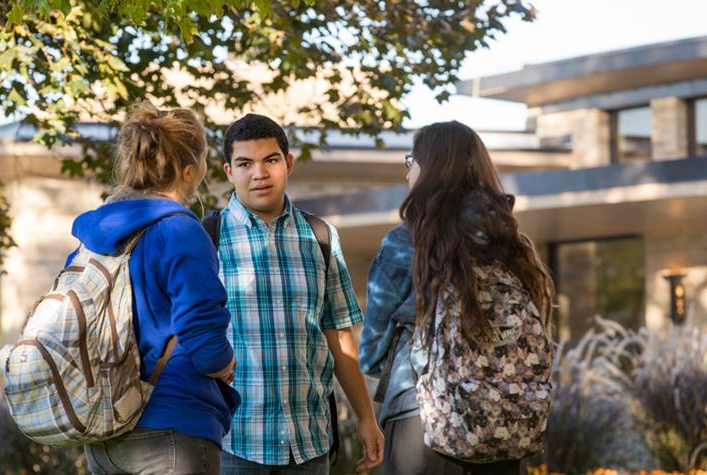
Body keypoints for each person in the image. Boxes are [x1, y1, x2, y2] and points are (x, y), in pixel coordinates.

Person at [212, 113, 384, 474]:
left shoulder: (320, 236)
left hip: (308, 442)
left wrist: (366, 417)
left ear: (288, 163)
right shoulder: (206, 237)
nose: (259, 174)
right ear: (229, 172)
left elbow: (339, 334)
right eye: (245, 164)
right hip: (232, 441)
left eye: (270, 160)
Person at [72, 102, 239, 475]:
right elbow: (204, 340)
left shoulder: (92, 236)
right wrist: (226, 363)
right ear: (190, 170)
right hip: (170, 426)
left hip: (103, 427)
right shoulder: (180, 230)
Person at [401, 121, 555, 475]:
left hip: (452, 431)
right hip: (511, 424)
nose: (408, 169)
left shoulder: (420, 236)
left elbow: (397, 342)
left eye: (412, 159)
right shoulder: (505, 231)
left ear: (433, 165)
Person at [359, 175, 462, 473]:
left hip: (418, 405)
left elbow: (371, 351)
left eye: (411, 161)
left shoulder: (405, 240)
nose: (406, 172)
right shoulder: (505, 238)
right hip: (496, 411)